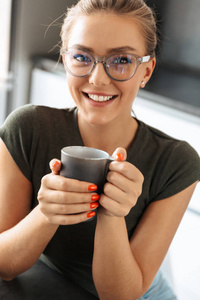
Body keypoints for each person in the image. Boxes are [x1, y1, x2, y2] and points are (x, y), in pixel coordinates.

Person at [0, 0, 199, 299]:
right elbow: (6, 266)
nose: (98, 79)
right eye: (82, 56)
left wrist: (112, 214)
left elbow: (121, 295)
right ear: (65, 60)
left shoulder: (177, 161)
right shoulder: (28, 129)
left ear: (146, 71)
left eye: (121, 60)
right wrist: (46, 213)